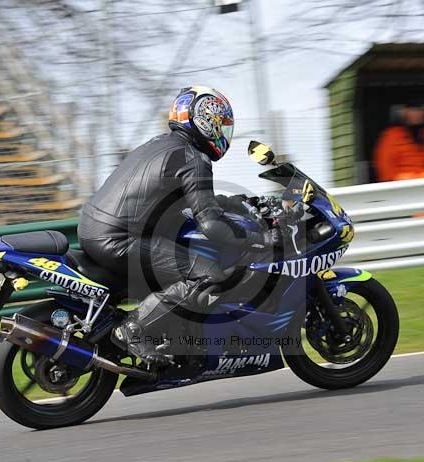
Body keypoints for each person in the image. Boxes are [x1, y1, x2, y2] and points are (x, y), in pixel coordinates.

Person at [78, 86, 280, 366]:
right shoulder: (193, 158)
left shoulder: (163, 144)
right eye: (220, 125)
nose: (223, 132)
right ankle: (134, 329)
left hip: (94, 228)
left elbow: (194, 198)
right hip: (118, 239)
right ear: (204, 120)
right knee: (208, 274)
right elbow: (210, 224)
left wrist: (236, 203)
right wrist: (254, 238)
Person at [373, 101, 424, 182]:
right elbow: (385, 170)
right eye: (411, 109)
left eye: (419, 109)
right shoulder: (390, 136)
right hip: (399, 187)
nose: (415, 114)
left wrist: (420, 178)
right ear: (403, 113)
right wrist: (403, 178)